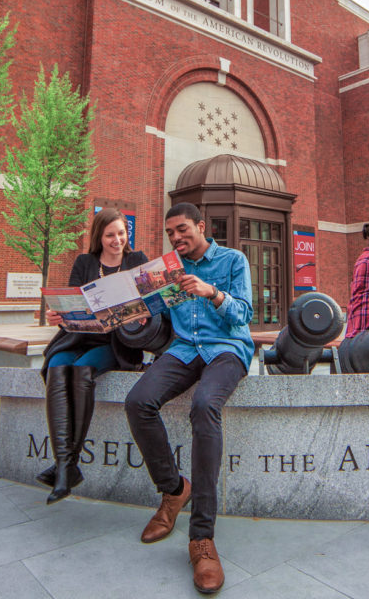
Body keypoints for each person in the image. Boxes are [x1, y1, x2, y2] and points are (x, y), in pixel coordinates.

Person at [125, 202, 254, 594]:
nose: (177, 238)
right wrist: (115, 312)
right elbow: (146, 314)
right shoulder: (168, 270)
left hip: (227, 349)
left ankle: (201, 538)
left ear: (201, 227)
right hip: (183, 350)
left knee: (204, 406)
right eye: (170, 234)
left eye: (182, 230)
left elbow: (245, 314)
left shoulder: (232, 260)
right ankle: (173, 489)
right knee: (138, 401)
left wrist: (211, 291)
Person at [39, 208, 148, 505]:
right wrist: (57, 315)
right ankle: (66, 465)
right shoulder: (85, 262)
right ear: (99, 237)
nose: (117, 240)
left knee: (82, 369)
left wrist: (140, 315)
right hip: (78, 337)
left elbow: (151, 304)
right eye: (110, 235)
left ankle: (65, 468)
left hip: (116, 343)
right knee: (58, 366)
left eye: (122, 233)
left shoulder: (136, 261)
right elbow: (71, 304)